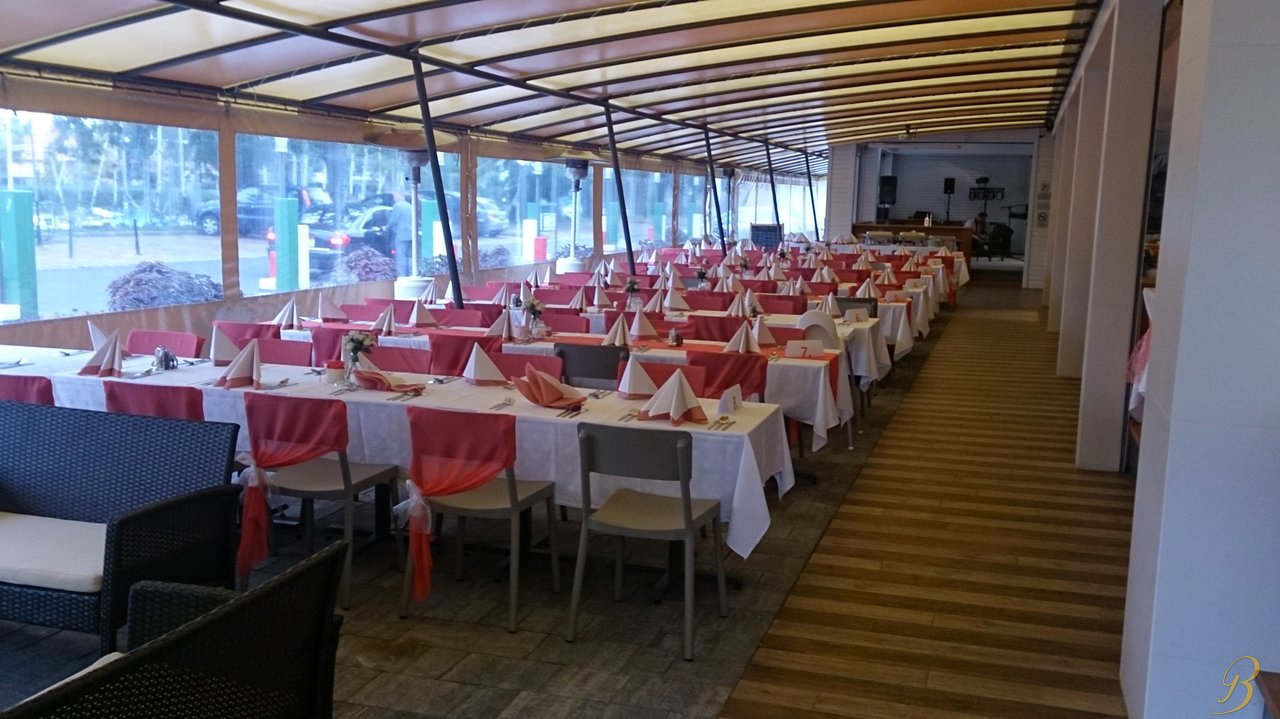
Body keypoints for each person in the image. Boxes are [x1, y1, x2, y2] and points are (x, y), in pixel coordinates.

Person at [389, 191, 413, 276]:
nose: (394, 198)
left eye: (395, 196)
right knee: (410, 256)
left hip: (402, 235)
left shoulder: (397, 206)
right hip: (412, 235)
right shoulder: (410, 206)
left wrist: (386, 228)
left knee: (400, 256)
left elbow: (393, 220)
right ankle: (411, 274)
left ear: (399, 195)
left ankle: (402, 276)